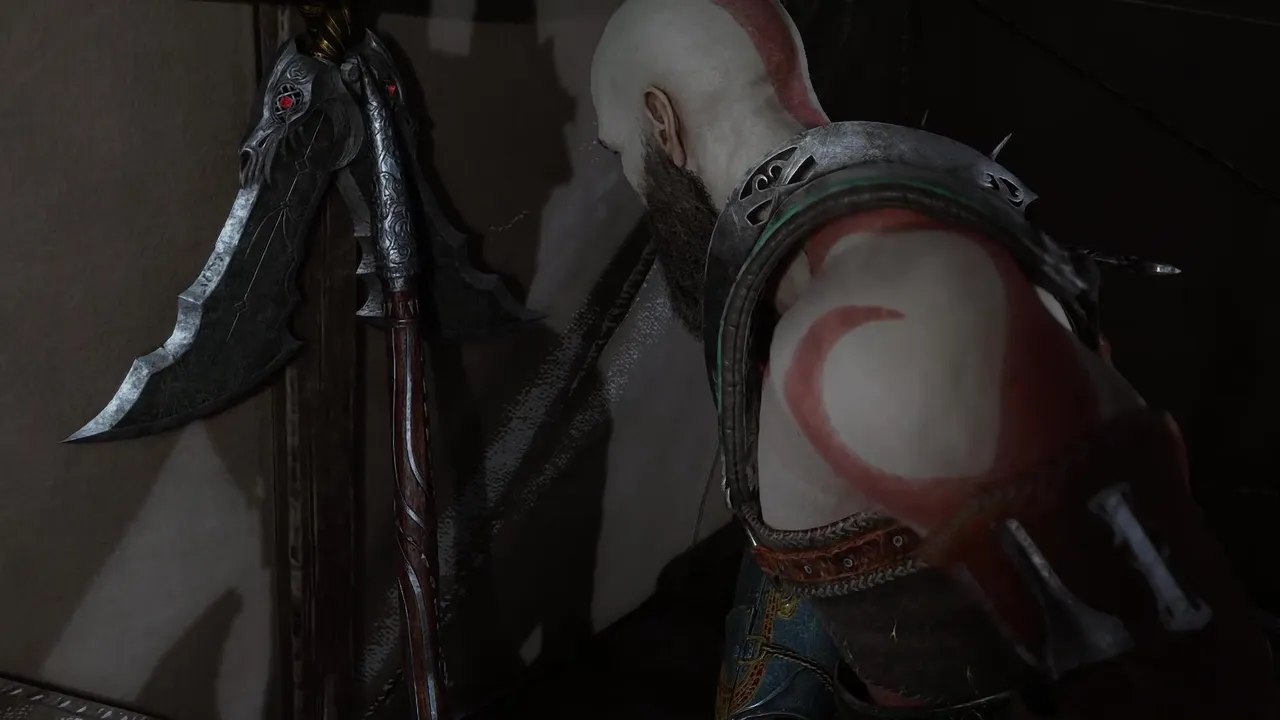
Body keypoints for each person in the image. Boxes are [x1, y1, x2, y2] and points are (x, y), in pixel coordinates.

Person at [590, 0, 1279, 717]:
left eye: (621, 152)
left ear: (662, 122)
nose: (634, 184)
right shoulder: (802, 284)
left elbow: (1188, 668)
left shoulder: (882, 322)